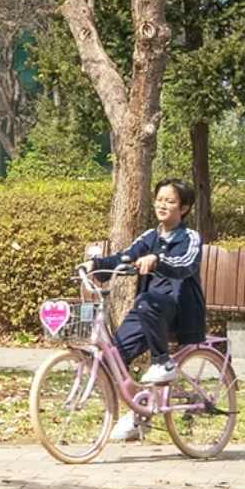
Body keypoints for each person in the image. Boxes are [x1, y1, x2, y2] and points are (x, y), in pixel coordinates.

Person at [91, 177, 207, 442]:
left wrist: (158, 261)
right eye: (159, 200)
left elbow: (184, 264)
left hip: (179, 310)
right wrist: (95, 265)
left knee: (146, 301)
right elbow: (124, 255)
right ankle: (138, 414)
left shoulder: (190, 238)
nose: (162, 205)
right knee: (113, 357)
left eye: (170, 201)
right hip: (148, 310)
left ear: (184, 207)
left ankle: (162, 362)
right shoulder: (150, 236)